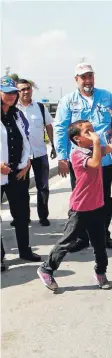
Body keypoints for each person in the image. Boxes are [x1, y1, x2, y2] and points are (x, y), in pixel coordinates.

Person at [37, 109, 112, 291]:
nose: (93, 133)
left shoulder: (93, 148)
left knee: (100, 245)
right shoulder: (76, 154)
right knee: (67, 242)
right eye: (88, 131)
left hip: (97, 206)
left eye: (93, 129)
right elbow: (94, 163)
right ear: (77, 138)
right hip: (80, 208)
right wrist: (97, 142)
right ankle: (47, 269)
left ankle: (100, 273)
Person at [55, 63, 112, 251]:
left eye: (90, 76)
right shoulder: (68, 101)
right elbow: (61, 128)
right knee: (81, 200)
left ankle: (103, 234)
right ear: (76, 80)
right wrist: (62, 157)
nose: (87, 81)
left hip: (103, 158)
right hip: (80, 162)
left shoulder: (106, 97)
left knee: (104, 198)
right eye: (83, 77)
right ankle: (81, 237)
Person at [1, 76, 41, 263]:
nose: (11, 96)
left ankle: (24, 250)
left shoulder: (17, 114)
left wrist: (27, 162)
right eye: (7, 92)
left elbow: (26, 139)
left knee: (22, 213)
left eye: (13, 93)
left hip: (18, 171)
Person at [17, 79, 56, 226]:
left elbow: (49, 127)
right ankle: (23, 216)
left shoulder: (40, 107)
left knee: (43, 187)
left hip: (40, 154)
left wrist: (53, 145)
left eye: (28, 88)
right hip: (21, 157)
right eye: (22, 89)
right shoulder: (13, 109)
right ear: (17, 92)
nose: (26, 91)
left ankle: (43, 216)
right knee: (21, 189)